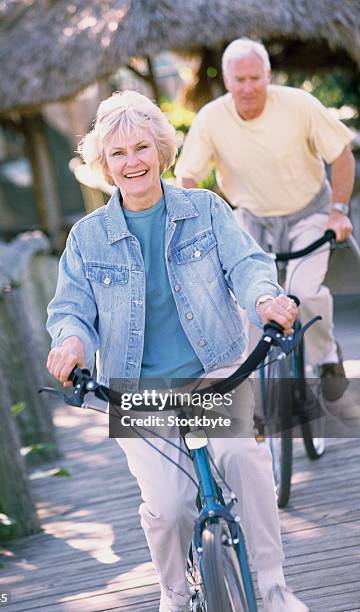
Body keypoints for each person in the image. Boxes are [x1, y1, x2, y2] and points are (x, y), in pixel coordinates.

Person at [46, 90, 309, 611]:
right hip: (135, 390)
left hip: (215, 373)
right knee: (168, 508)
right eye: (118, 154)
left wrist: (265, 298)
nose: (132, 162)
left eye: (141, 148)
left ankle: (275, 588)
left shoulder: (204, 209)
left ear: (161, 152)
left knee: (242, 458)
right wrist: (70, 342)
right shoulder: (87, 238)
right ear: (104, 163)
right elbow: (70, 310)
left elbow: (246, 264)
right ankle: (173, 595)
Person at [175, 37, 355, 402]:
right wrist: (197, 225)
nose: (247, 87)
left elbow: (341, 154)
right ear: (227, 81)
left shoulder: (299, 105)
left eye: (255, 78)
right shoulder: (211, 118)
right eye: (239, 80)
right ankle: (254, 392)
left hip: (309, 213)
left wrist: (339, 210)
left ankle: (326, 358)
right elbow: (187, 176)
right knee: (249, 302)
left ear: (268, 76)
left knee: (304, 292)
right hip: (251, 220)